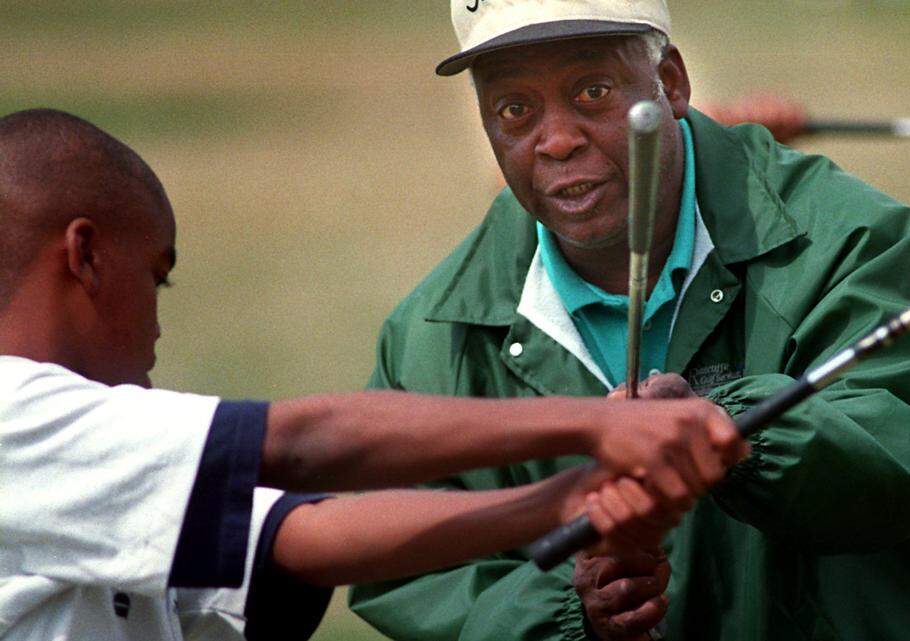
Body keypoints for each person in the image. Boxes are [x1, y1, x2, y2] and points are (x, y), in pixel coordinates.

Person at [349, 2, 910, 640]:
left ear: (670, 82)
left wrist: (725, 432)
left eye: (592, 90)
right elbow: (403, 566)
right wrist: (567, 614)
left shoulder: (850, 239)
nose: (555, 140)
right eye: (515, 109)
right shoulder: (432, 337)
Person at [0, 108, 748, 641]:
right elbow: (300, 442)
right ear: (84, 254)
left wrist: (565, 497)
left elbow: (313, 538)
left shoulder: (85, 458)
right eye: (156, 278)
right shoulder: (13, 416)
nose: (160, 321)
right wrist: (599, 424)